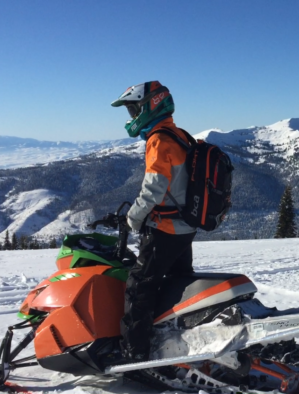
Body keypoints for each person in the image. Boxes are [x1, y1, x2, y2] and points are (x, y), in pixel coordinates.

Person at [111, 81, 196, 361]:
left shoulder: (159, 140)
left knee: (139, 287)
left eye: (134, 109)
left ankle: (135, 355)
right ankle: (178, 340)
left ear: (151, 105)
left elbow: (153, 190)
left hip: (165, 230)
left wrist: (132, 219)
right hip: (185, 228)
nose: (132, 117)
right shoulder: (179, 134)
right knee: (177, 285)